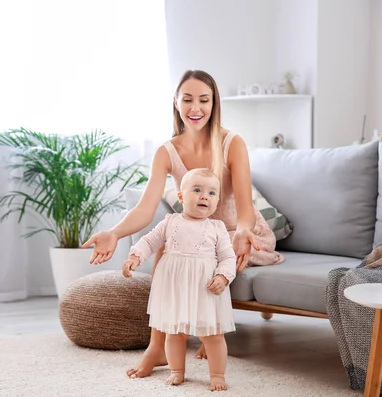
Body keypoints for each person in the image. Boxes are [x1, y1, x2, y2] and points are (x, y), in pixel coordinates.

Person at [81, 69, 283, 378]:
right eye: (187, 99)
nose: (195, 108)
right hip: (193, 232)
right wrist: (116, 232)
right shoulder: (167, 151)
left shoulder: (232, 143)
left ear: (214, 104)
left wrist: (243, 230)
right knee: (168, 246)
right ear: (175, 103)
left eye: (204, 100)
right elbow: (145, 208)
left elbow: (246, 208)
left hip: (235, 233)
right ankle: (157, 348)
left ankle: (206, 331)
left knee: (207, 250)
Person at [122, 168, 236, 391]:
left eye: (212, 193)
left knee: (212, 334)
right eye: (197, 190)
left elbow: (228, 257)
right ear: (181, 197)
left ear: (217, 200)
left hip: (206, 288)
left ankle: (217, 374)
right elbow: (149, 241)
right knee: (174, 332)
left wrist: (223, 276)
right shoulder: (170, 222)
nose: (205, 196)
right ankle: (177, 371)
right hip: (174, 287)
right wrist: (135, 257)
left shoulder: (217, 228)